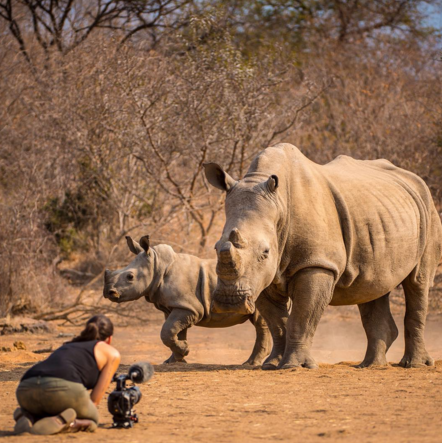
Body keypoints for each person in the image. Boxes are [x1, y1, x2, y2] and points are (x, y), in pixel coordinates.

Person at [13, 314, 121, 435]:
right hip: (61, 388)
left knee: (51, 404)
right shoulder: (111, 353)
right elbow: (94, 401)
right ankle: (64, 422)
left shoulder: (69, 345)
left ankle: (28, 417)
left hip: (25, 388)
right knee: (92, 419)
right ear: (110, 339)